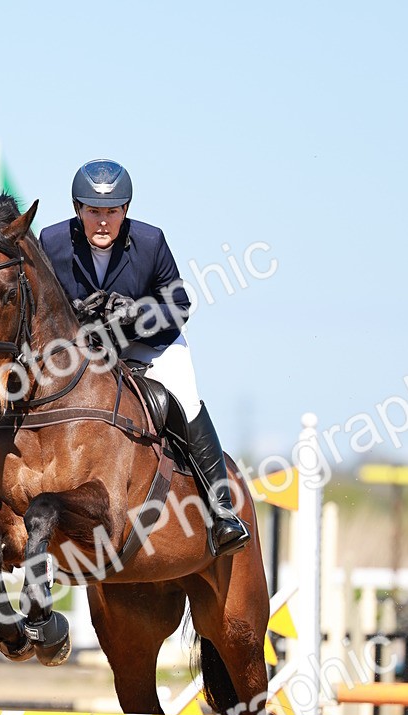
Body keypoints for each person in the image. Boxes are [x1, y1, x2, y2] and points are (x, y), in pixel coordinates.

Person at [39, 158, 250, 556]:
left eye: (112, 212)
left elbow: (179, 304)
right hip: (88, 351)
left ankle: (222, 510)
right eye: (93, 211)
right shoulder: (51, 242)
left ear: (125, 211)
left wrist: (135, 314)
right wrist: (80, 315)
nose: (103, 222)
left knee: (185, 400)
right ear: (77, 210)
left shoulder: (150, 242)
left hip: (150, 345)